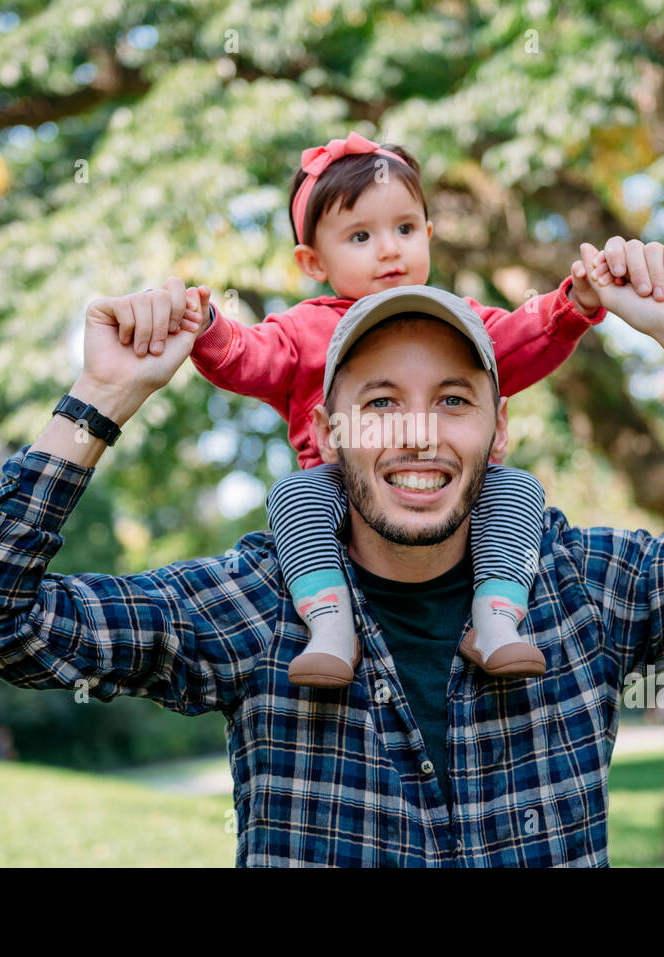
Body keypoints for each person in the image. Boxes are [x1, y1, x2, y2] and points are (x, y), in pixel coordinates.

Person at [0, 238, 664, 866]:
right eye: (379, 403)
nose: (416, 435)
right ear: (328, 434)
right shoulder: (250, 607)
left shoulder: (587, 589)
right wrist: (102, 402)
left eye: (454, 402)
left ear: (496, 436)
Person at [176, 132, 610, 687]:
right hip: (341, 488)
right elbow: (247, 357)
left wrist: (572, 305)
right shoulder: (303, 330)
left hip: (449, 496)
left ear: (428, 234)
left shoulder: (458, 319)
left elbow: (524, 335)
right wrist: (205, 328)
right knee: (294, 496)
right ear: (312, 260)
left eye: (405, 229)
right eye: (360, 235)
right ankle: (331, 625)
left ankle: (497, 619)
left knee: (517, 491)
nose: (389, 249)